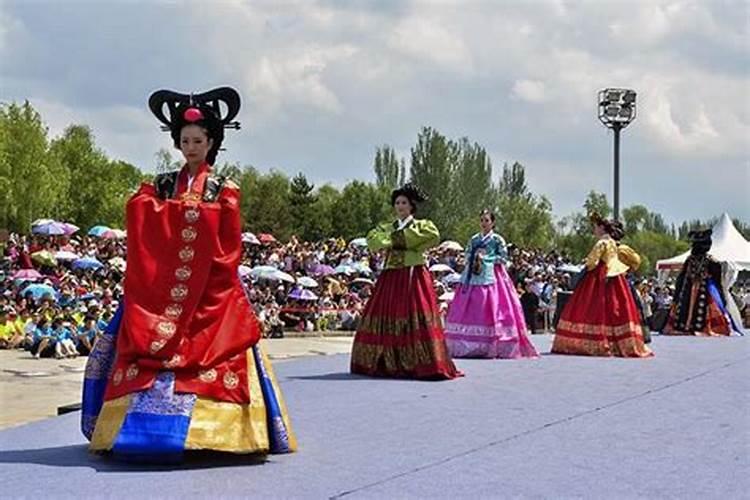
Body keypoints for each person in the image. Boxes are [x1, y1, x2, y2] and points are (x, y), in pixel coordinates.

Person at [81, 87, 296, 461]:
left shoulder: (224, 188)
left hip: (212, 285)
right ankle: (136, 431)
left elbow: (227, 241)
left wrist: (182, 214)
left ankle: (217, 433)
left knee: (223, 340)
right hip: (159, 289)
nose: (191, 147)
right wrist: (175, 212)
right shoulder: (161, 184)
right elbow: (138, 211)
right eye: (185, 141)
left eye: (198, 140)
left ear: (212, 142)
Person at [350, 183, 461, 379]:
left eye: (404, 202)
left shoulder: (422, 225)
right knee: (387, 314)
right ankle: (386, 361)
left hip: (413, 275)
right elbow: (373, 241)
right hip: (391, 275)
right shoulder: (385, 227)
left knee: (415, 315)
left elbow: (432, 236)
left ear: (411, 206)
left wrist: (393, 240)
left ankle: (420, 362)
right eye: (397, 203)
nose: (400, 206)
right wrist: (405, 242)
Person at [552, 213, 653, 357]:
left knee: (591, 307)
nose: (594, 230)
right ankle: (619, 341)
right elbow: (634, 261)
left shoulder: (602, 242)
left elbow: (592, 262)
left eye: (595, 227)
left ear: (601, 227)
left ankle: (589, 341)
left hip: (599, 277)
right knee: (616, 307)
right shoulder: (613, 242)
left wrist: (585, 265)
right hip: (616, 277)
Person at [444, 210, 538, 359]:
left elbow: (503, 257)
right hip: (473, 274)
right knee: (471, 304)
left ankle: (494, 340)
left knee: (494, 304)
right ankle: (466, 341)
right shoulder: (474, 239)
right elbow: (467, 254)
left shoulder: (497, 240)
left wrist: (487, 258)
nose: (484, 223)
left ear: (492, 222)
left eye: (487, 220)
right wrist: (474, 257)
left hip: (493, 274)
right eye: (482, 220)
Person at [663, 229, 737, 336]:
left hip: (696, 289)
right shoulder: (706, 261)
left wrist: (677, 295)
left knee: (694, 306)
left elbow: (681, 278)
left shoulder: (700, 260)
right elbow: (717, 281)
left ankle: (687, 325)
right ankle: (691, 325)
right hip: (695, 289)